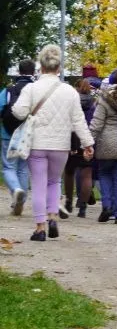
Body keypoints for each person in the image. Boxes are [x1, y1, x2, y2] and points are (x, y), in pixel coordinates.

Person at [11, 45, 92, 242]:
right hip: (61, 145)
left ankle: (40, 227)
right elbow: (78, 120)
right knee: (55, 181)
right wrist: (87, 143)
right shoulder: (69, 91)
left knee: (38, 184)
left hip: (37, 143)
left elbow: (19, 112)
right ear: (59, 68)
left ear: (41, 67)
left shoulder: (31, 88)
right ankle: (53, 216)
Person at [90, 69, 117, 223]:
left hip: (105, 143)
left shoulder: (103, 98)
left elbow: (97, 123)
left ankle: (107, 206)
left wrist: (88, 141)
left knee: (105, 175)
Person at [0, 62, 33, 216]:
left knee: (8, 167)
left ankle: (16, 190)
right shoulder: (36, 90)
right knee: (23, 168)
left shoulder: (8, 90)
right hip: (29, 134)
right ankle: (21, 200)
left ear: (19, 71)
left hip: (8, 133)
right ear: (34, 71)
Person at [64, 77, 97, 217]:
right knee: (87, 174)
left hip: (72, 138)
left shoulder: (71, 101)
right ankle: (82, 207)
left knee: (69, 172)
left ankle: (68, 202)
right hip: (87, 137)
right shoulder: (94, 103)